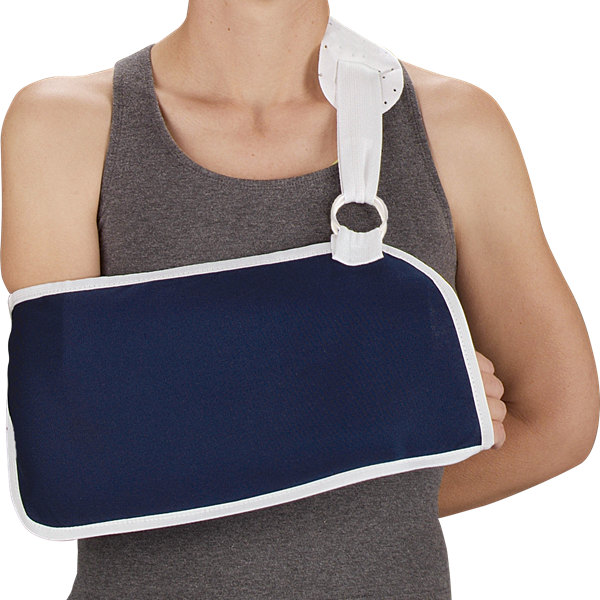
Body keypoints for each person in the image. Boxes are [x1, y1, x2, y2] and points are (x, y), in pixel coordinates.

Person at [1, 1, 597, 598]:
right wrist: (381, 409)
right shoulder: (67, 122)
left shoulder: (454, 123)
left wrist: (349, 443)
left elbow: (555, 423)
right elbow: (66, 461)